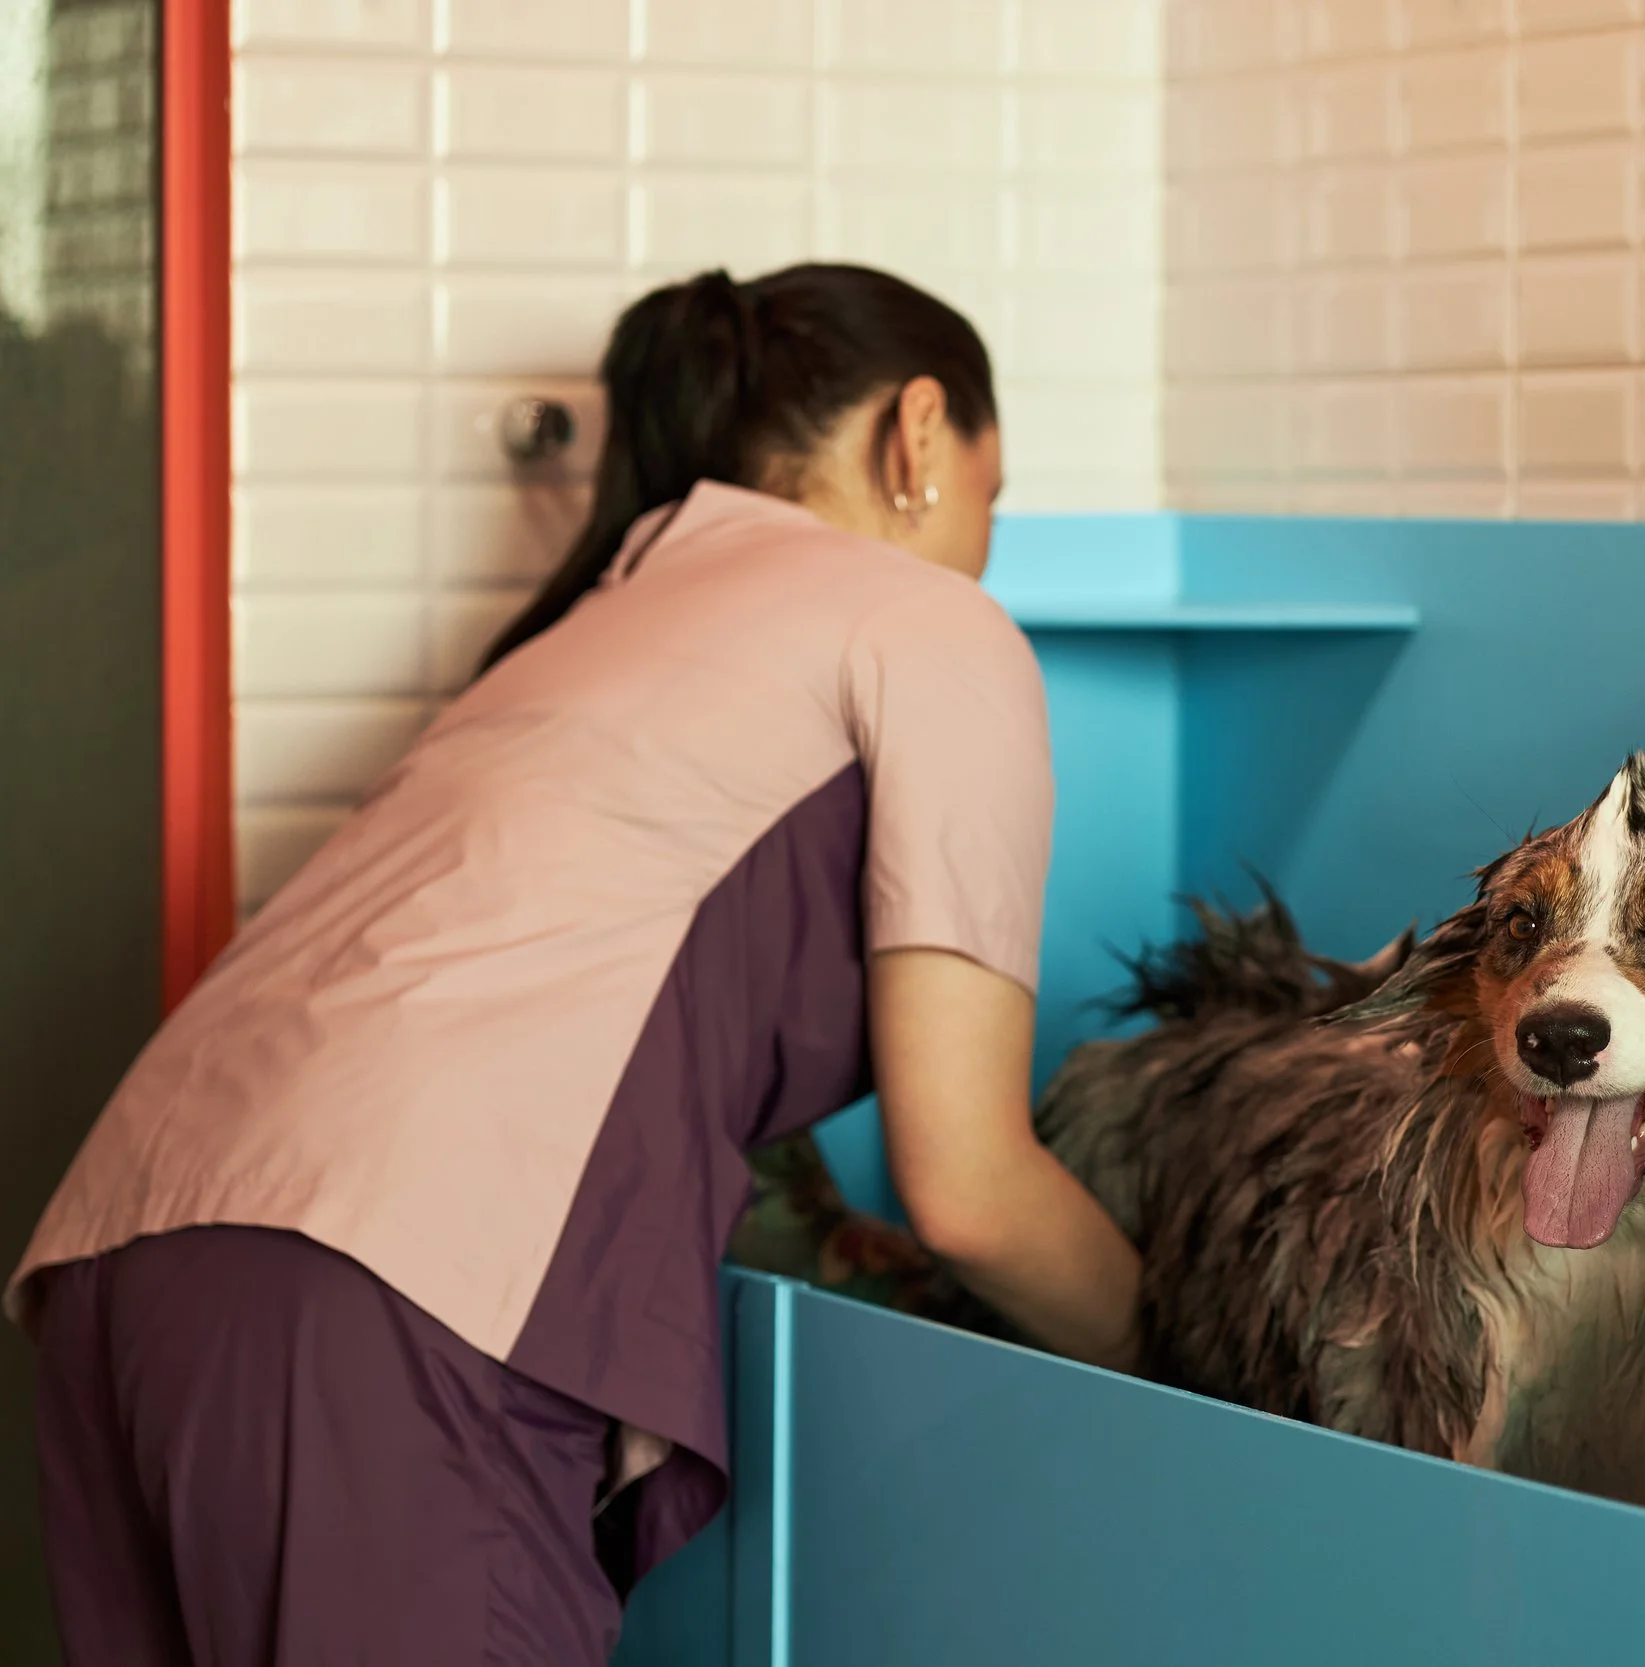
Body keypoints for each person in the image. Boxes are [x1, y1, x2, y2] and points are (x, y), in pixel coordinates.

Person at [11, 264, 1142, 1665]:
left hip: (134, 1258)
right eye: (993, 496)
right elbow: (970, 1187)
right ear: (917, 434)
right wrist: (1194, 1363)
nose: (986, 545)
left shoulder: (594, 620)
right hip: (382, 1300)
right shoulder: (926, 621)